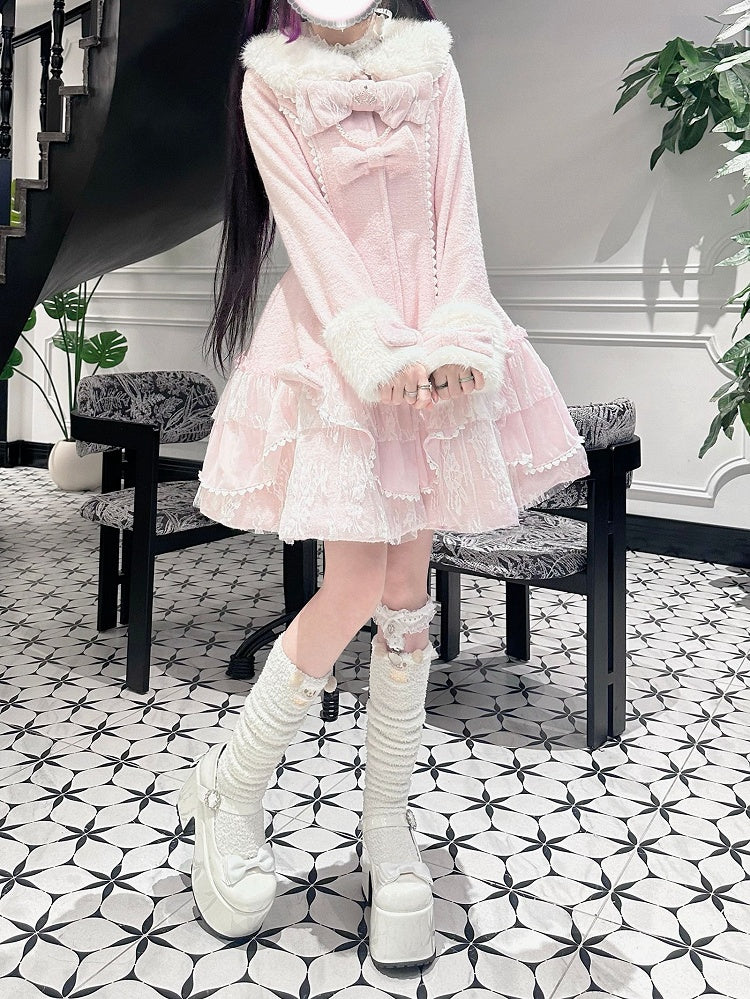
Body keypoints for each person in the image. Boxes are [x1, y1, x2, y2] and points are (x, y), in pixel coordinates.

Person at [180, 0, 591, 970]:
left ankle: (387, 823)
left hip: (435, 338)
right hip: (338, 344)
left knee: (408, 592)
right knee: (356, 581)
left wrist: (456, 335)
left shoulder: (430, 64)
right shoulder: (270, 80)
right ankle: (231, 787)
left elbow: (457, 217)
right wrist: (374, 351)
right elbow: (313, 238)